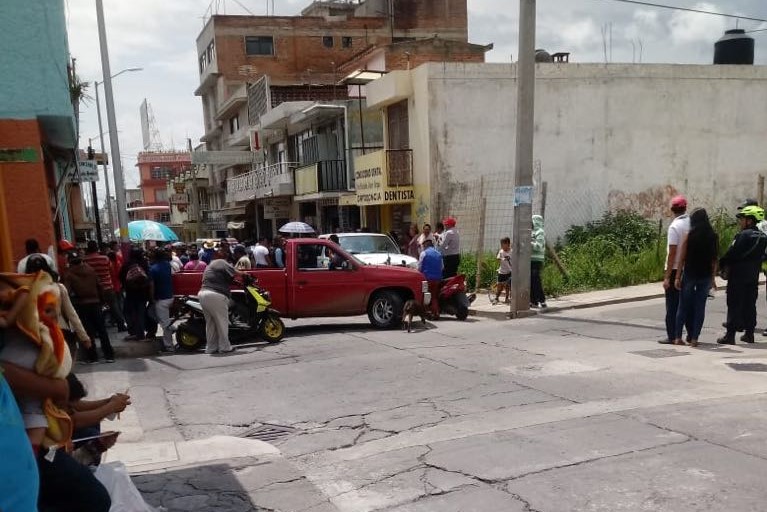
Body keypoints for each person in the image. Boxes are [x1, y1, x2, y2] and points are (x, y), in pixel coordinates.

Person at [25, 255, 92, 361]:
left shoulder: (25, 291)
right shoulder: (59, 288)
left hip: (36, 336)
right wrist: (84, 337)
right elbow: (71, 314)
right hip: (60, 332)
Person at [717, 205, 767, 345]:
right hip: (753, 276)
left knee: (734, 304)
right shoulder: (763, 236)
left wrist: (722, 265)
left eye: (743, 219)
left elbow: (731, 253)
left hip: (738, 276)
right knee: (750, 305)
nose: (741, 222)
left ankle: (730, 335)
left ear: (750, 221)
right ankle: (749, 334)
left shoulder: (743, 235)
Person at [672, 208, 718, 347]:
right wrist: (713, 278)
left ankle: (678, 337)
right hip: (705, 275)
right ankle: (694, 339)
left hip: (690, 274)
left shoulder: (689, 235)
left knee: (683, 306)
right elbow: (715, 260)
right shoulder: (713, 236)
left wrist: (677, 276)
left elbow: (682, 258)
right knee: (700, 307)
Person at [65, 253, 115, 363]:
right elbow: (99, 286)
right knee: (102, 330)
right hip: (96, 303)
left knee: (88, 331)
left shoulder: (69, 274)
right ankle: (109, 355)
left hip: (82, 304)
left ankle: (92, 357)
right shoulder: (91, 270)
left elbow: (67, 292)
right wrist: (103, 301)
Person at [659, 196, 691, 344]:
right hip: (688, 269)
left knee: (672, 305)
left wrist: (667, 277)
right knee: (686, 303)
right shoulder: (691, 223)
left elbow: (672, 252)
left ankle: (672, 335)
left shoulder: (674, 227)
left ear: (672, 210)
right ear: (685, 208)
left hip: (674, 270)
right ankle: (691, 334)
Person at [199, 259, 240, 354]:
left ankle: (211, 348)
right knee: (222, 322)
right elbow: (234, 271)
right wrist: (244, 274)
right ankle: (225, 347)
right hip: (215, 295)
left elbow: (227, 279)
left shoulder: (211, 267)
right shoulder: (221, 262)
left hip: (203, 293)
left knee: (210, 323)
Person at [84, 240, 126, 332]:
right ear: (97, 248)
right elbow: (111, 271)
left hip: (94, 288)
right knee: (114, 306)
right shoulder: (105, 259)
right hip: (108, 286)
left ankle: (99, 328)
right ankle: (121, 325)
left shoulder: (85, 260)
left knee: (97, 308)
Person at [120, 248, 152, 342]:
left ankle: (134, 332)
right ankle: (141, 333)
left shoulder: (127, 265)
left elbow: (121, 276)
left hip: (130, 293)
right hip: (142, 293)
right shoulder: (144, 264)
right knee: (141, 313)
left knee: (129, 312)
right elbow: (149, 279)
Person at [149, 249, 175, 353]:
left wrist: (151, 298)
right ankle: (172, 328)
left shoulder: (153, 269)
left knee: (165, 324)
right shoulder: (167, 265)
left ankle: (169, 346)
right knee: (164, 321)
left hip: (161, 299)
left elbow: (152, 286)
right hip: (169, 296)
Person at [418, 238, 443, 320]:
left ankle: (425, 313)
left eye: (423, 245)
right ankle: (436, 313)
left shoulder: (424, 253)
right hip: (437, 279)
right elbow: (442, 267)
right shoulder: (439, 254)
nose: (423, 247)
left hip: (426, 278)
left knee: (425, 295)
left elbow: (419, 267)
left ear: (426, 245)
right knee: (434, 296)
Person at [530, 215, 547, 309]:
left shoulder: (540, 232)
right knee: (531, 281)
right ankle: (533, 301)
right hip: (530, 259)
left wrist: (529, 242)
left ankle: (542, 300)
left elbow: (539, 246)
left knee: (536, 280)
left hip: (537, 259)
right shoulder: (531, 232)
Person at [494, 237, 512, 305]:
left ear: (508, 244)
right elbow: (498, 258)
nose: (502, 246)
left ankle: (507, 298)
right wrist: (502, 258)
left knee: (507, 285)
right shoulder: (501, 251)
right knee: (499, 285)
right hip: (501, 271)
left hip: (509, 271)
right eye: (501, 245)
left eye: (503, 244)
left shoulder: (512, 251)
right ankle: (496, 298)